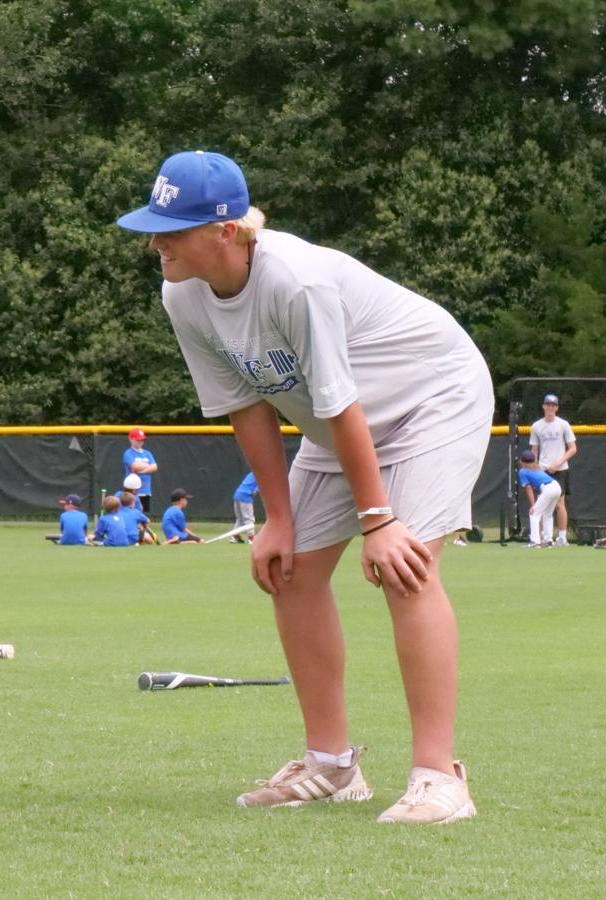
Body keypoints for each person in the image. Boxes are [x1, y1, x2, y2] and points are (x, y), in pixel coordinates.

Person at [117, 150, 493, 825]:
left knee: (406, 570)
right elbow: (248, 405)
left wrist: (379, 520)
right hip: (334, 423)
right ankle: (332, 766)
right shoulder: (183, 292)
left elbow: (343, 403)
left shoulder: (296, 282)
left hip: (430, 399)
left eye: (171, 228)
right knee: (290, 571)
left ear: (226, 230)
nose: (155, 242)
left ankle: (440, 778)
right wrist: (278, 520)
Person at [529, 393, 576, 546]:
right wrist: (534, 469)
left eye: (553, 405)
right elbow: (534, 450)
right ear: (543, 406)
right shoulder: (536, 426)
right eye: (548, 405)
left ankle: (562, 537)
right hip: (543, 470)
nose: (550, 407)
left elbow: (573, 448)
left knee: (559, 503)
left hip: (560, 469)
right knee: (543, 503)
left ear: (556, 408)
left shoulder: (563, 424)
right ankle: (544, 536)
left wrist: (558, 463)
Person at [518, 450, 561, 547]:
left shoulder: (522, 471)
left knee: (534, 514)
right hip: (556, 486)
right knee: (548, 514)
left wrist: (533, 505)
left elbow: (528, 488)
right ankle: (548, 540)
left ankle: (535, 541)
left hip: (548, 489)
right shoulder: (537, 468)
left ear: (522, 461)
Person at [122, 428, 158, 513]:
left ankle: (142, 526)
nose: (140, 442)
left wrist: (143, 471)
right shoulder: (128, 453)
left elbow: (155, 467)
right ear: (131, 439)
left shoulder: (147, 453)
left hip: (146, 490)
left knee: (144, 514)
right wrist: (149, 467)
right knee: (133, 513)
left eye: (142, 440)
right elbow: (134, 466)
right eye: (138, 439)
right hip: (132, 491)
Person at [231, 471, 260, 543]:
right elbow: (255, 491)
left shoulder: (252, 473)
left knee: (240, 519)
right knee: (249, 519)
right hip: (245, 496)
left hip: (237, 495)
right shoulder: (261, 475)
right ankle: (251, 538)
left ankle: (234, 536)